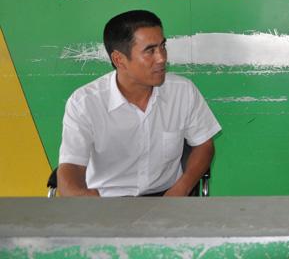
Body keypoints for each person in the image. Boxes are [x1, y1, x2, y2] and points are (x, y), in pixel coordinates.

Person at [57, 10, 221, 197]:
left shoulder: (182, 91)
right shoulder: (84, 103)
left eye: (162, 46)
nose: (162, 58)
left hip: (166, 197)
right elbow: (71, 166)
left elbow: (203, 146)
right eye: (150, 51)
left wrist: (181, 188)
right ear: (119, 59)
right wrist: (80, 196)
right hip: (107, 200)